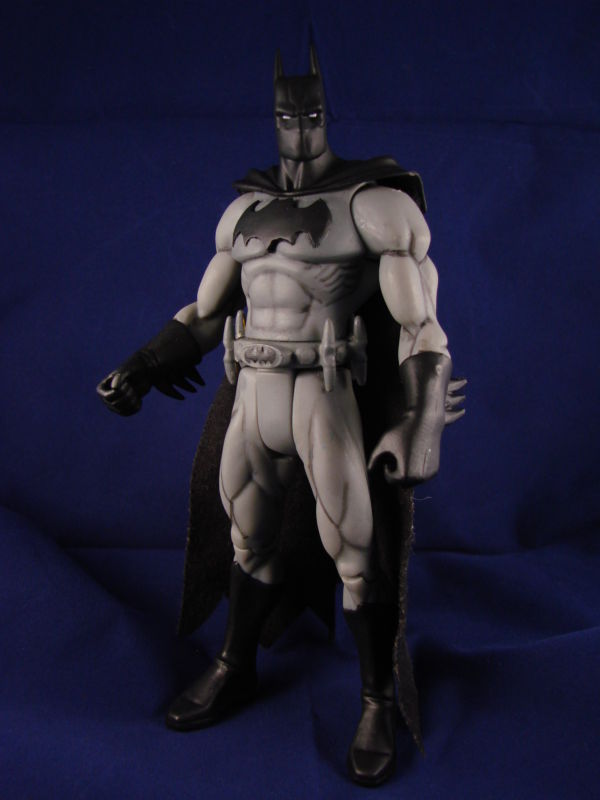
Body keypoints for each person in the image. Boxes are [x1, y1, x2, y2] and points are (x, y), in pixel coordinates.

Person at [97, 47, 464, 787]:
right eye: (287, 115)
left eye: (312, 114)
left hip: (323, 394)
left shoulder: (372, 206)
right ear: (272, 117)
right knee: (247, 537)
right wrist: (142, 364)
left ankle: (375, 700)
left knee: (355, 548)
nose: (299, 128)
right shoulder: (242, 213)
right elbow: (205, 315)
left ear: (328, 115)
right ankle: (235, 664)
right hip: (253, 392)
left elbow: (421, 325)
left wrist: (419, 423)